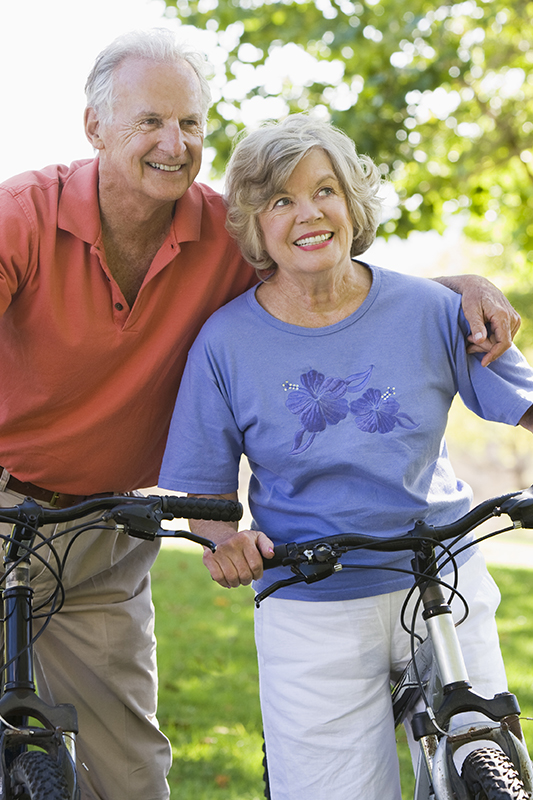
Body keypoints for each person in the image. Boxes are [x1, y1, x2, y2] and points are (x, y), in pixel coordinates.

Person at [0, 28, 520, 800]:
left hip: (107, 527)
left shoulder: (218, 230)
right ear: (94, 127)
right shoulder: (23, 217)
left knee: (128, 772)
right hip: (9, 490)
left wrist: (455, 286)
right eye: (149, 122)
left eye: (190, 124)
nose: (174, 144)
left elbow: (329, 268)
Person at [158, 114, 533, 800]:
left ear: (351, 203)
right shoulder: (224, 343)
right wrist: (225, 542)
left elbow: (524, 402)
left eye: (324, 190)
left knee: (489, 761)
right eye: (280, 200)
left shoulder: (433, 309)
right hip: (310, 594)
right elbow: (199, 495)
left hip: (441, 578)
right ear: (254, 224)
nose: (308, 213)